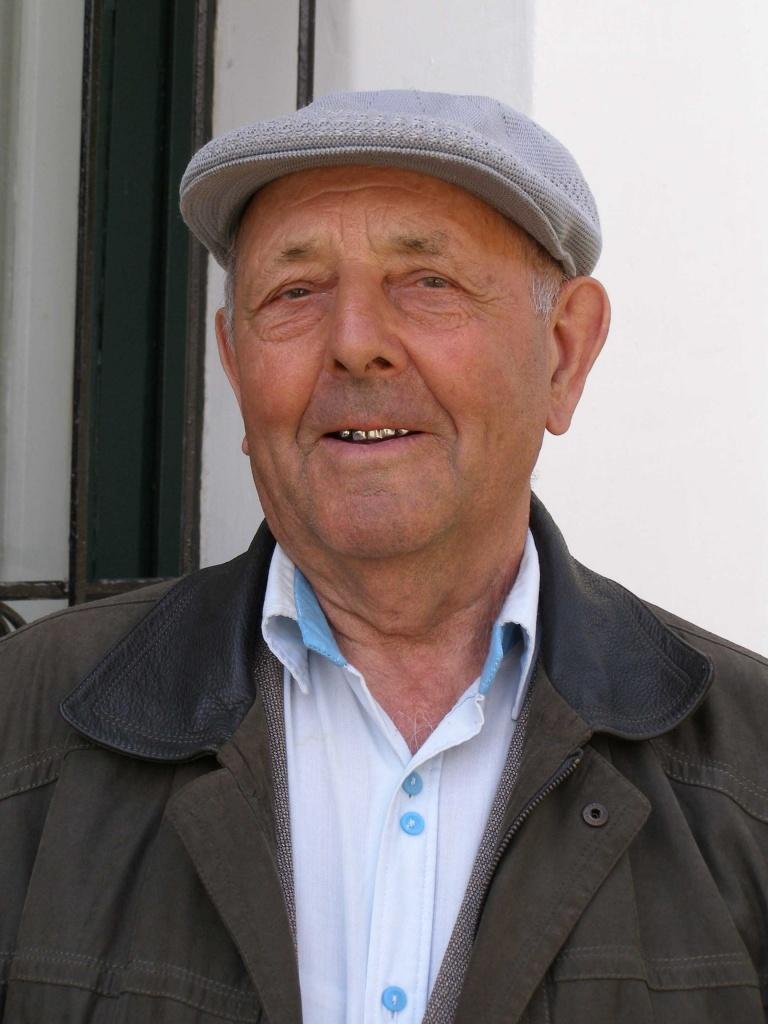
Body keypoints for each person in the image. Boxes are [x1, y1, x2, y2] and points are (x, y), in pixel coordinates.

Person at [0, 90, 766, 1024]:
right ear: (235, 364)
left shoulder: (747, 768)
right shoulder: (29, 726)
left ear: (564, 355)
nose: (356, 344)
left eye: (428, 282)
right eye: (294, 293)